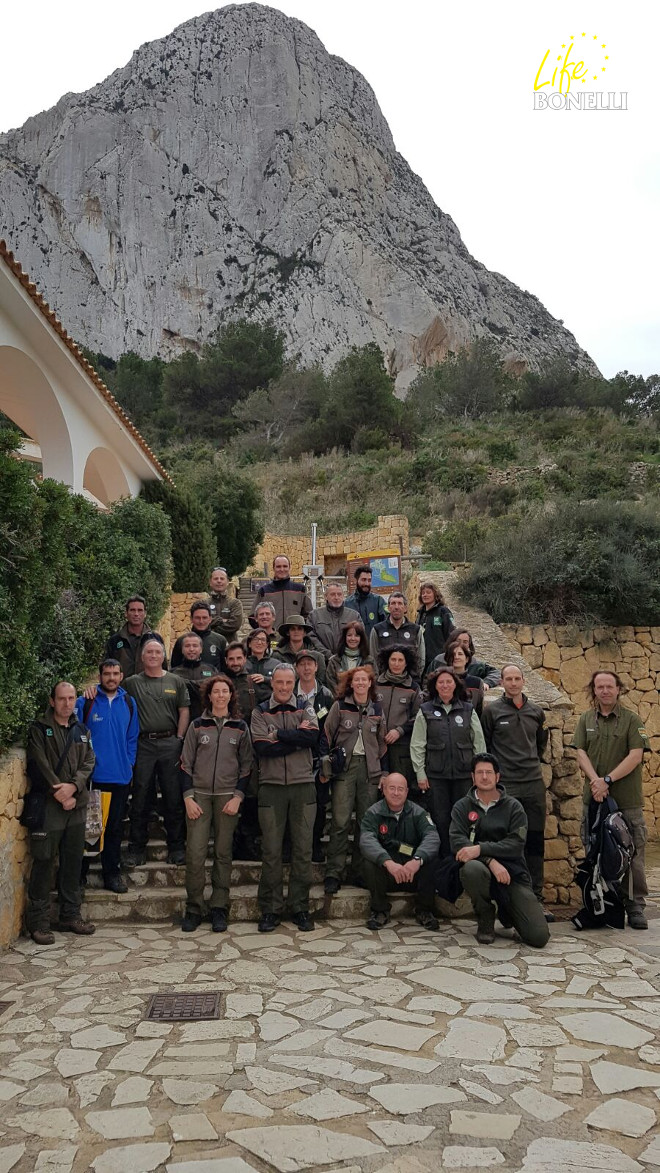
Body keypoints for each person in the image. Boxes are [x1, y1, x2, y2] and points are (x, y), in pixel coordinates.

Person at [572, 670, 650, 930]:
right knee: (594, 849)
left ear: (618, 689)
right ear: (593, 690)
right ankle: (604, 900)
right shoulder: (585, 719)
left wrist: (607, 781)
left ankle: (635, 904)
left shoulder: (631, 720)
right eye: (599, 687)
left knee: (632, 852)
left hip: (626, 799)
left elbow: (635, 756)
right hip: (594, 799)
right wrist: (596, 781)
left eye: (609, 686)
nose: (605, 691)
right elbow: (580, 753)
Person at [450, 753, 550, 948]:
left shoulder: (514, 807)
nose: (484, 777)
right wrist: (490, 861)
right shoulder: (462, 807)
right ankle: (485, 915)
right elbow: (457, 842)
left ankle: (507, 910)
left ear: (498, 777)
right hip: (481, 872)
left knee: (538, 937)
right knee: (471, 869)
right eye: (480, 772)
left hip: (512, 874)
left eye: (489, 772)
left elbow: (516, 844)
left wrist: (480, 848)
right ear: (472, 777)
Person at [180, 674, 253, 933]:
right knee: (195, 854)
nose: (221, 695)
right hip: (198, 797)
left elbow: (247, 766)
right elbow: (185, 763)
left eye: (225, 691)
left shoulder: (240, 727)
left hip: (227, 798)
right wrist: (188, 797)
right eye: (216, 691)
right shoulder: (197, 726)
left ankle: (219, 906)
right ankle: (193, 907)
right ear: (209, 696)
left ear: (231, 695)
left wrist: (237, 797)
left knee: (223, 854)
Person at [25, 681, 96, 943]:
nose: (67, 703)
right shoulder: (40, 729)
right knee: (44, 862)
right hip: (49, 805)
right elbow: (40, 764)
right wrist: (60, 792)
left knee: (72, 862)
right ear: (52, 701)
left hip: (75, 806)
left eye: (71, 698)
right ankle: (39, 922)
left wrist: (74, 787)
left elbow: (89, 761)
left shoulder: (81, 729)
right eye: (62, 699)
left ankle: (69, 915)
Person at [251, 664, 320, 932]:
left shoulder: (307, 706)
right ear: (272, 683)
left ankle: (300, 907)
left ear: (294, 683)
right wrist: (296, 739)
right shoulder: (259, 711)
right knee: (272, 851)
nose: (283, 687)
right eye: (278, 682)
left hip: (303, 785)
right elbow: (262, 748)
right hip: (271, 787)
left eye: (288, 683)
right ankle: (270, 909)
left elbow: (312, 736)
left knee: (303, 850)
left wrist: (278, 734)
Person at [482, 664, 550, 917]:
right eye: (508, 679)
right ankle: (509, 901)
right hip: (507, 785)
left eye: (517, 678)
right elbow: (487, 746)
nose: (513, 683)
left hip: (532, 782)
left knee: (534, 841)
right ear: (501, 682)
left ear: (523, 681)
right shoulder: (492, 712)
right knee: (509, 842)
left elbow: (541, 744)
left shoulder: (536, 712)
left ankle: (537, 897)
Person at [320, 665, 388, 894]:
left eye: (364, 680)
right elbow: (327, 735)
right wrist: (325, 765)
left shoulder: (377, 708)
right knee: (340, 822)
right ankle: (333, 873)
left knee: (365, 823)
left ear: (370, 683)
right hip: (344, 770)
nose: (360, 683)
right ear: (351, 683)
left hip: (369, 770)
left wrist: (383, 772)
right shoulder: (339, 706)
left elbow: (382, 743)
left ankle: (360, 871)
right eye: (356, 680)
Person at [124, 638, 190, 867]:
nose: (153, 655)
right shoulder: (131, 683)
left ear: (163, 656)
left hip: (170, 743)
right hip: (143, 745)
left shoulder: (176, 681)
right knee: (140, 796)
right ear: (142, 657)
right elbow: (113, 698)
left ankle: (177, 846)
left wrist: (179, 739)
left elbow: (184, 711)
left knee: (173, 796)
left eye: (157, 652)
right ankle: (136, 848)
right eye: (148, 652)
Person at [75, 659, 140, 894]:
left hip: (120, 778)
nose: (111, 678)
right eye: (106, 674)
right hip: (94, 777)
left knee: (113, 829)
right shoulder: (87, 702)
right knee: (89, 828)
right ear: (100, 676)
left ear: (122, 675)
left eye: (115, 673)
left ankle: (111, 874)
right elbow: (75, 735)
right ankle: (79, 876)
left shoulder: (129, 703)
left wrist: (129, 764)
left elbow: (132, 738)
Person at [410, 667, 486, 856]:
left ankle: (464, 859)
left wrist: (480, 773)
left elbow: (479, 742)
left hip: (463, 775)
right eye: (441, 682)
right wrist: (420, 773)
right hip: (436, 775)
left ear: (455, 685)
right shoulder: (425, 710)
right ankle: (445, 861)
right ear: (435, 686)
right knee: (441, 819)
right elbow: (417, 744)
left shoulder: (468, 710)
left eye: (448, 681)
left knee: (465, 819)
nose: (445, 685)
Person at [360, 772, 440, 930]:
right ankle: (379, 910)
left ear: (407, 792)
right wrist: (387, 862)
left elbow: (432, 837)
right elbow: (366, 840)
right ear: (383, 789)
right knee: (370, 861)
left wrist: (418, 860)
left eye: (400, 789)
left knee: (431, 859)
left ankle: (424, 910)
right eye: (392, 788)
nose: (396, 793)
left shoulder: (419, 813)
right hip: (388, 873)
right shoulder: (372, 813)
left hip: (412, 873)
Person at [294, 650, 334, 863]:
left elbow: (329, 729)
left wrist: (323, 757)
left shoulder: (326, 695)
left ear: (317, 667)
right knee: (295, 803)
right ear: (296, 668)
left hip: (318, 759)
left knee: (318, 804)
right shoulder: (289, 693)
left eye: (311, 664)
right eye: (302, 664)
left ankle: (315, 843)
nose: (307, 668)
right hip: (294, 757)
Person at [224, 640, 261, 861]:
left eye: (239, 658)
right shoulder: (219, 682)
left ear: (245, 659)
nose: (235, 663)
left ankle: (246, 841)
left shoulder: (254, 682)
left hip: (250, 747)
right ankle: (227, 842)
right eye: (231, 659)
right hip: (225, 746)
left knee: (252, 793)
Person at [376, 646, 422, 791]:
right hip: (376, 744)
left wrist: (400, 730)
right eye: (393, 660)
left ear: (406, 663)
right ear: (387, 661)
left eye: (400, 660)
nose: (396, 663)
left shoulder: (413, 688)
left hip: (401, 747)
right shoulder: (376, 684)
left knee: (398, 787)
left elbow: (419, 717)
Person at [369, 592, 425, 681]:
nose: (396, 607)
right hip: (384, 682)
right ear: (388, 607)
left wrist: (414, 677)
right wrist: (379, 678)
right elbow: (373, 657)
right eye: (393, 603)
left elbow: (421, 658)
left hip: (409, 682)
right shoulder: (377, 630)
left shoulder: (416, 630)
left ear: (405, 608)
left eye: (400, 603)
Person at [251, 554, 312, 629]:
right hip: (271, 638)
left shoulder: (300, 590)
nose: (282, 569)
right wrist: (263, 632)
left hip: (293, 638)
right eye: (278, 566)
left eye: (285, 566)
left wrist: (299, 631)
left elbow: (309, 615)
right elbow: (252, 617)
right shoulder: (264, 591)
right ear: (273, 568)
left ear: (290, 568)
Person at [427, 629, 499, 688]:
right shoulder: (438, 660)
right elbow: (427, 679)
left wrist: (487, 683)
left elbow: (496, 673)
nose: (461, 644)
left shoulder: (475, 664)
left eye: (465, 642)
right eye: (458, 641)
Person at [105, 595, 155, 679]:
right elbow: (106, 668)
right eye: (132, 610)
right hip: (122, 690)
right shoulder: (114, 640)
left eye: (140, 610)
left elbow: (163, 669)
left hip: (148, 690)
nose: (136, 614)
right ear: (126, 613)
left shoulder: (155, 639)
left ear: (145, 614)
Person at [171, 602, 227, 672]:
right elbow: (174, 668)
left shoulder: (220, 640)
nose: (201, 621)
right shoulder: (181, 641)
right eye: (197, 618)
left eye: (204, 618)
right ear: (191, 619)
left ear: (210, 619)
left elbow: (224, 668)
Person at [171, 633, 216, 720]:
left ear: (201, 649)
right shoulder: (174, 673)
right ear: (182, 650)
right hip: (180, 720)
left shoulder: (211, 670)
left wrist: (184, 683)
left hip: (206, 720)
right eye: (187, 646)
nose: (191, 649)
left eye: (195, 646)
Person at [272, 615, 328, 684]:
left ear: (304, 633)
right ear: (287, 633)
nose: (296, 631)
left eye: (299, 628)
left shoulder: (318, 656)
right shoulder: (277, 655)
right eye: (293, 629)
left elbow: (321, 682)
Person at [309, 583, 360, 655]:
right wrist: (327, 654)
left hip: (348, 661)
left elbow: (361, 637)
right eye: (332, 594)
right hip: (322, 661)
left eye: (339, 594)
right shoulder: (314, 616)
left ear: (343, 596)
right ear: (326, 596)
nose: (336, 597)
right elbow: (311, 638)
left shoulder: (354, 616)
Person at [326, 621, 372, 696]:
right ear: (344, 637)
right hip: (340, 702)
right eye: (349, 635)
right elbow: (331, 684)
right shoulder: (334, 661)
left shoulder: (369, 660)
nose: (353, 638)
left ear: (361, 638)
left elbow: (373, 682)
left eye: (356, 635)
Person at [417, 582, 455, 671]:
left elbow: (451, 635)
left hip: (440, 660)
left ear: (435, 594)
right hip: (422, 659)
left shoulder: (443, 611)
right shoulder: (420, 614)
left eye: (428, 592)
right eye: (423, 593)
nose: (425, 595)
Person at [444, 641, 485, 716]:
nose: (456, 657)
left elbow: (479, 711)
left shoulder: (476, 683)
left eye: (460, 654)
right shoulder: (439, 680)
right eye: (453, 654)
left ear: (467, 659)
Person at [345, 564, 387, 635]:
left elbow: (387, 622)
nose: (367, 583)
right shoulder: (347, 604)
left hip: (375, 644)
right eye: (363, 580)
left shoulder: (378, 601)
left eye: (369, 580)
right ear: (357, 580)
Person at [205, 566, 244, 639]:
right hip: (208, 644)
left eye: (222, 578)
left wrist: (211, 627)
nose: (219, 581)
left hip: (230, 646)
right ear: (210, 582)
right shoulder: (204, 603)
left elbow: (235, 625)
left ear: (227, 582)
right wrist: (222, 620)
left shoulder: (235, 603)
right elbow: (201, 623)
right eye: (216, 578)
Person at [245, 629, 280, 702]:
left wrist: (266, 679)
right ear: (249, 644)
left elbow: (282, 684)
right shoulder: (243, 664)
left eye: (263, 640)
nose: (259, 642)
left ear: (267, 645)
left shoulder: (276, 664)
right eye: (256, 639)